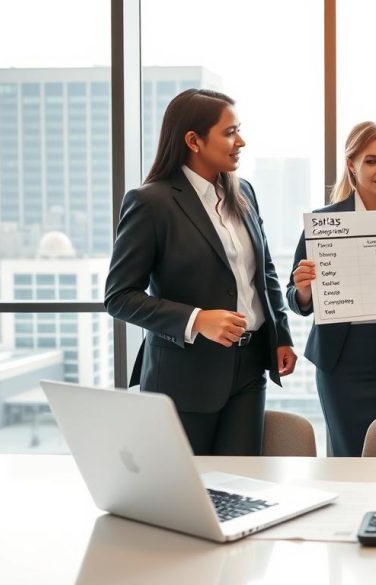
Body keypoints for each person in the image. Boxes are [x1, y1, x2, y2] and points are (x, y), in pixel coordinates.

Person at [105, 88, 297, 456]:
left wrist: (280, 335)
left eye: (239, 130)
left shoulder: (246, 194)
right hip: (184, 376)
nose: (240, 141)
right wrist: (197, 319)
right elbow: (118, 297)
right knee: (188, 492)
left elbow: (264, 271)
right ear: (193, 140)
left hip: (250, 370)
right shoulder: (151, 203)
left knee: (240, 486)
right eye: (229, 133)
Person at [286, 121, 376, 456]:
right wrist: (304, 289)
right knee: (347, 456)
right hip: (341, 363)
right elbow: (296, 298)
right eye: (372, 161)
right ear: (351, 165)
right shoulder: (323, 222)